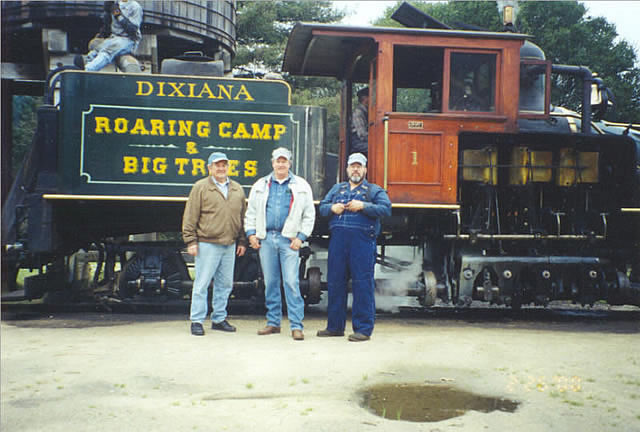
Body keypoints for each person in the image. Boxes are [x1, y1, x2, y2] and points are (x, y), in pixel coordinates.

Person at [317, 153, 391, 342]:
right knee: (335, 283)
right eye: (352, 166)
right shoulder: (337, 189)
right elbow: (322, 207)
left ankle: (363, 329)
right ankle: (334, 327)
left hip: (362, 244)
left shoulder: (373, 190)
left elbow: (386, 209)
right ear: (347, 169)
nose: (355, 169)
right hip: (338, 242)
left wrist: (363, 206)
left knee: (362, 284)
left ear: (365, 169)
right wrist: (332, 208)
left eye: (359, 166)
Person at [245, 147, 316, 341]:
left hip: (289, 240)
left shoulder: (301, 186)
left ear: (289, 163)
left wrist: (301, 237)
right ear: (273, 162)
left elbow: (309, 215)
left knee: (291, 283)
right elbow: (250, 212)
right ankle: (273, 323)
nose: (281, 164)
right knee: (271, 283)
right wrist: (251, 234)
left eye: (285, 161)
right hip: (267, 239)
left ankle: (296, 326)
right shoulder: (260, 185)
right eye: (278, 161)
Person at [182, 152, 247, 336]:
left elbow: (242, 217)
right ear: (209, 168)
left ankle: (219, 318)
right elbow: (190, 216)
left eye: (224, 165)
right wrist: (191, 241)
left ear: (228, 167)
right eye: (217, 165)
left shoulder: (237, 189)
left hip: (230, 244)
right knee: (202, 283)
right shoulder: (200, 187)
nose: (221, 168)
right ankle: (196, 320)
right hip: (207, 244)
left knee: (225, 284)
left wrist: (242, 240)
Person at [74, 0, 143, 72]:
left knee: (108, 52)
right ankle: (81, 67)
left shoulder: (135, 7)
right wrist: (107, 13)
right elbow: (108, 25)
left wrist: (118, 15)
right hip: (114, 37)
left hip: (129, 40)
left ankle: (88, 70)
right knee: (97, 50)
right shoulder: (116, 3)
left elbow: (133, 30)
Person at [351, 87, 369, 158]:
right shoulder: (358, 113)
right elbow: (362, 134)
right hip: (357, 143)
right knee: (378, 148)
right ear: (365, 98)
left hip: (362, 142)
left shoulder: (366, 112)